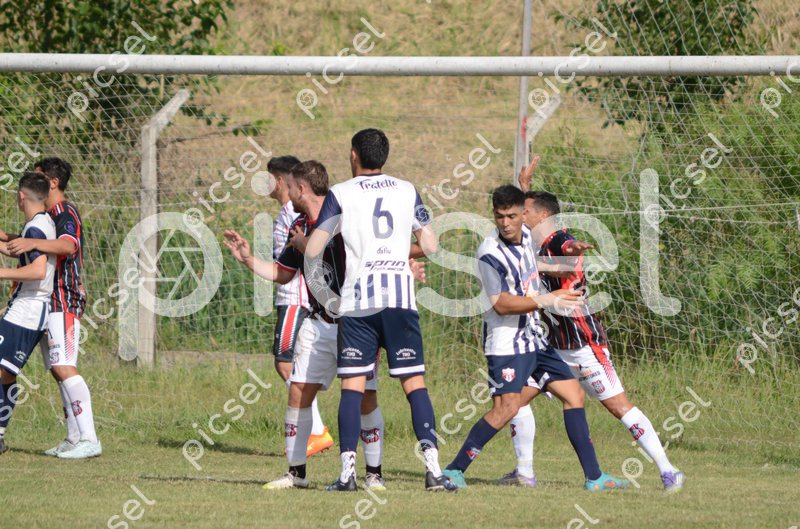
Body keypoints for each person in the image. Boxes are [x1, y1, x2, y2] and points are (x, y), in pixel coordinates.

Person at [225, 160, 413, 490]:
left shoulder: (345, 216)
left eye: (290, 187)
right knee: (299, 390)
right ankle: (296, 473)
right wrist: (248, 259)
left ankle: (374, 474)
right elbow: (283, 274)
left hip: (356, 323)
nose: (286, 193)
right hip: (319, 321)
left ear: (301, 189)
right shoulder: (298, 224)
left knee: (366, 396)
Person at [441, 184, 629, 491]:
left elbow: (532, 263)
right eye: (499, 216)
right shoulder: (489, 254)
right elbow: (501, 304)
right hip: (506, 343)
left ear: (522, 214)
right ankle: (453, 470)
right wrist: (548, 299)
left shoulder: (527, 236)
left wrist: (564, 263)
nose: (505, 223)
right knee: (506, 408)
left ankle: (594, 478)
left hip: (533, 338)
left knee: (574, 395)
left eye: (512, 216)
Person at [514, 162, 685, 491]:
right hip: (554, 347)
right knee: (515, 400)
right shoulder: (536, 239)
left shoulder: (559, 239)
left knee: (618, 406)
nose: (520, 216)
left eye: (525, 211)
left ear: (542, 216)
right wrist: (524, 186)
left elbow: (569, 250)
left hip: (583, 344)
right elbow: (529, 230)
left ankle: (668, 470)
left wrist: (573, 251)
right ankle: (524, 473)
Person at [306, 128, 456, 492]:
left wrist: (329, 288)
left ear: (354, 155)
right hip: (400, 300)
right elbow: (430, 245)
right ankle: (434, 472)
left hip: (358, 303)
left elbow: (313, 249)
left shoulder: (341, 193)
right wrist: (396, 254)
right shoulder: (407, 189)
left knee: (353, 388)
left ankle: (348, 476)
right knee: (415, 385)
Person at [267, 155, 332, 456]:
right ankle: (314, 430)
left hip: (294, 297)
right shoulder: (289, 213)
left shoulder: (290, 215)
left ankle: (315, 431)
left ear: (282, 181)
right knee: (289, 365)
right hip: (295, 296)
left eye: (269, 178)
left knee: (285, 364)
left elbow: (290, 263)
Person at [0, 172, 57, 454]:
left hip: (29, 310)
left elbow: (37, 271)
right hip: (26, 309)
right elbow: (22, 252)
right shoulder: (41, 223)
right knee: (6, 373)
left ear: (21, 196)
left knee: (5, 372)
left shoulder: (35, 229)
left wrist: (1, 273)